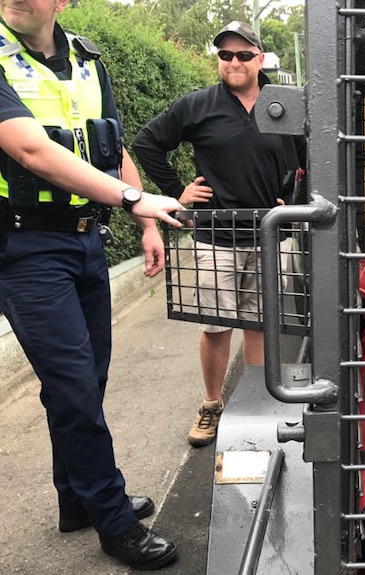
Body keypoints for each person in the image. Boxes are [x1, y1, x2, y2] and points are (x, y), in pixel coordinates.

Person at [0, 0, 185, 570]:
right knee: (75, 387)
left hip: (85, 240)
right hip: (25, 247)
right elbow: (29, 148)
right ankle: (113, 519)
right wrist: (133, 198)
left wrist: (146, 224)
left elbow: (113, 146)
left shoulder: (86, 58)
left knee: (86, 382)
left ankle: (77, 499)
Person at [133, 21, 297, 448]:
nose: (234, 62)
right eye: (225, 55)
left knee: (261, 323)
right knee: (215, 326)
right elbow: (146, 142)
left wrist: (292, 200)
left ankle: (259, 400)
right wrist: (176, 192)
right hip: (215, 236)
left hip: (268, 236)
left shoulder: (283, 106)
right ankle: (212, 403)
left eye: (244, 54)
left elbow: (307, 159)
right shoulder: (197, 105)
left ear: (261, 59)